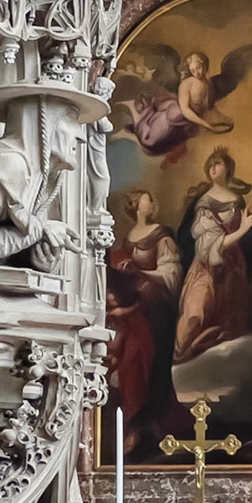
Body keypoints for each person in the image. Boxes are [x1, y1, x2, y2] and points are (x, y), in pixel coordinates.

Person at [106, 189, 185, 455]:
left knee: (151, 364)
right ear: (135, 206)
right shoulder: (127, 239)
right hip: (132, 312)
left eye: (150, 198)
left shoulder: (161, 237)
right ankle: (134, 421)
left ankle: (147, 421)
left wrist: (140, 272)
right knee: (127, 362)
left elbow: (172, 274)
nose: (150, 202)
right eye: (145, 199)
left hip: (157, 312)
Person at [174, 147, 252, 360]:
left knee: (228, 320)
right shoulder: (203, 202)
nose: (213, 168)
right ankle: (179, 356)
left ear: (228, 168)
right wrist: (242, 230)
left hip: (233, 266)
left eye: (217, 164)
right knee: (196, 313)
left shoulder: (237, 200)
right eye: (210, 165)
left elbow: (248, 235)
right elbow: (209, 244)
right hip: (207, 264)